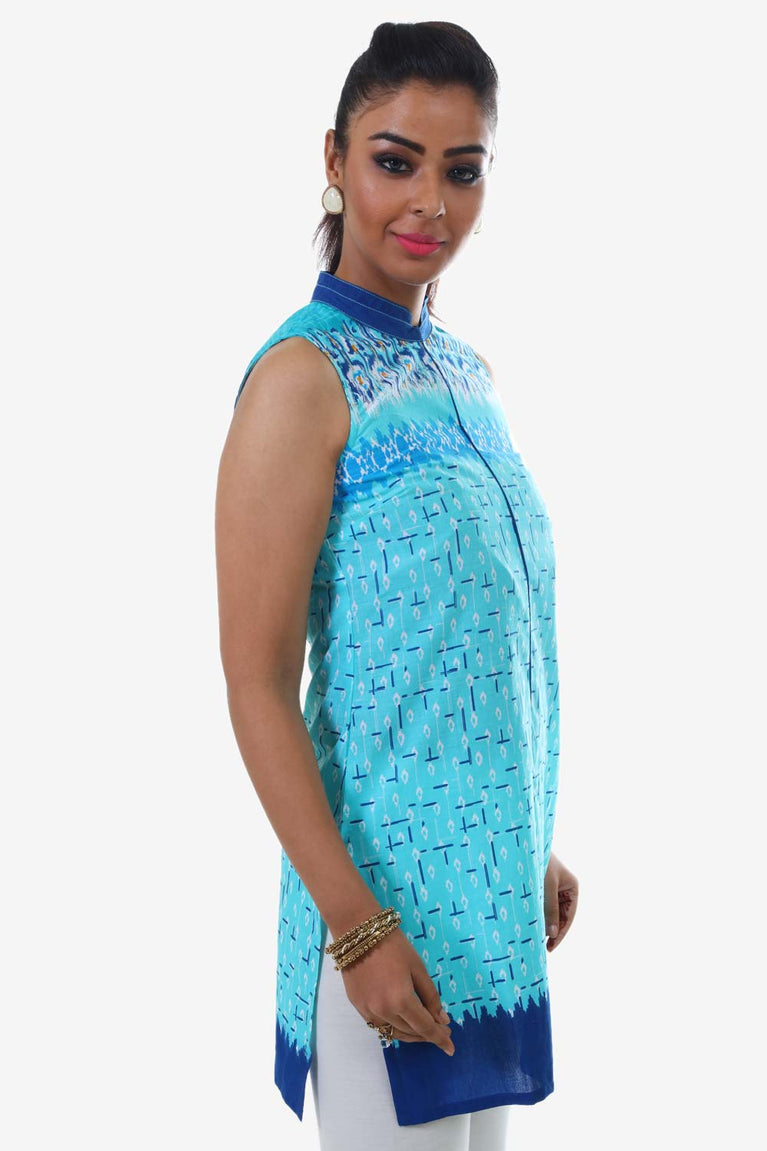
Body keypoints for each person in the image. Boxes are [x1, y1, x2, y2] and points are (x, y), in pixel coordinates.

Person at [216, 20, 579, 1151]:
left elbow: (474, 642)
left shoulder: (467, 375)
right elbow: (257, 683)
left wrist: (526, 840)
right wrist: (357, 929)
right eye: (394, 160)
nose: (429, 202)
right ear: (334, 160)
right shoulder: (300, 380)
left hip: (484, 911)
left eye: (461, 170)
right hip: (381, 922)